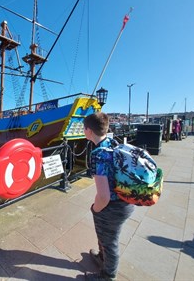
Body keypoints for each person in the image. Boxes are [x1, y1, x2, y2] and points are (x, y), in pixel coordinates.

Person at [83, 112, 135, 281]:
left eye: (84, 128)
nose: (83, 131)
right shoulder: (113, 143)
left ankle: (107, 276)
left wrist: (95, 209)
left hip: (113, 205)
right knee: (105, 236)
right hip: (127, 199)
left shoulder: (98, 155)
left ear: (89, 131)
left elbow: (104, 196)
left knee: (110, 242)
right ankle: (101, 258)